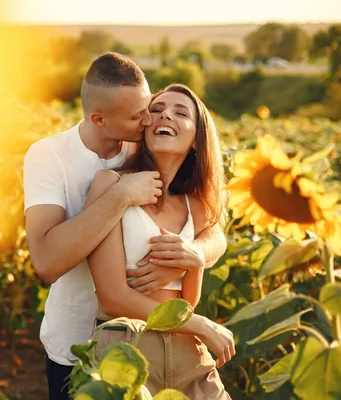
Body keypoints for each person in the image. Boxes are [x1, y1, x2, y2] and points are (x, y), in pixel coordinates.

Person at [23, 53, 228, 400]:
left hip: (173, 347)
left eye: (151, 108)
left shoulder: (151, 145)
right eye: (141, 115)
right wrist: (119, 197)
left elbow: (214, 232)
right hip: (80, 340)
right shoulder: (52, 156)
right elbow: (46, 263)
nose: (152, 119)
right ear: (100, 119)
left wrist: (189, 256)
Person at [85, 84, 235, 398]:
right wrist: (201, 326)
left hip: (188, 352)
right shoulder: (112, 184)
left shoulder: (195, 205)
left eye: (181, 113)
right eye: (156, 109)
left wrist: (195, 264)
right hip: (127, 346)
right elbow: (112, 297)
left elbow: (186, 302)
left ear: (196, 140)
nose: (166, 113)